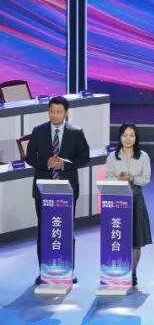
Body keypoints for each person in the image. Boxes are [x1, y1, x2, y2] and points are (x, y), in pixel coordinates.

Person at [25, 96, 90, 285]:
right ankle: (44, 271)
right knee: (44, 230)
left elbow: (84, 157)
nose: (55, 115)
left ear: (66, 113)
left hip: (67, 189)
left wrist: (65, 164)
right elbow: (29, 157)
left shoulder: (76, 132)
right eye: (52, 111)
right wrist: (46, 163)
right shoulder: (38, 131)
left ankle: (68, 270)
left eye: (59, 111)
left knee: (66, 230)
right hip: (43, 189)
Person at [104, 123, 152, 288]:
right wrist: (119, 179)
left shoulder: (143, 156)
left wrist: (132, 178)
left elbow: (146, 179)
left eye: (131, 135)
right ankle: (118, 270)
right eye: (125, 135)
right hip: (117, 200)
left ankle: (132, 273)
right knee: (118, 237)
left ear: (136, 138)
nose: (128, 138)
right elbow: (107, 177)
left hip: (135, 199)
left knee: (135, 240)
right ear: (120, 137)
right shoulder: (112, 157)